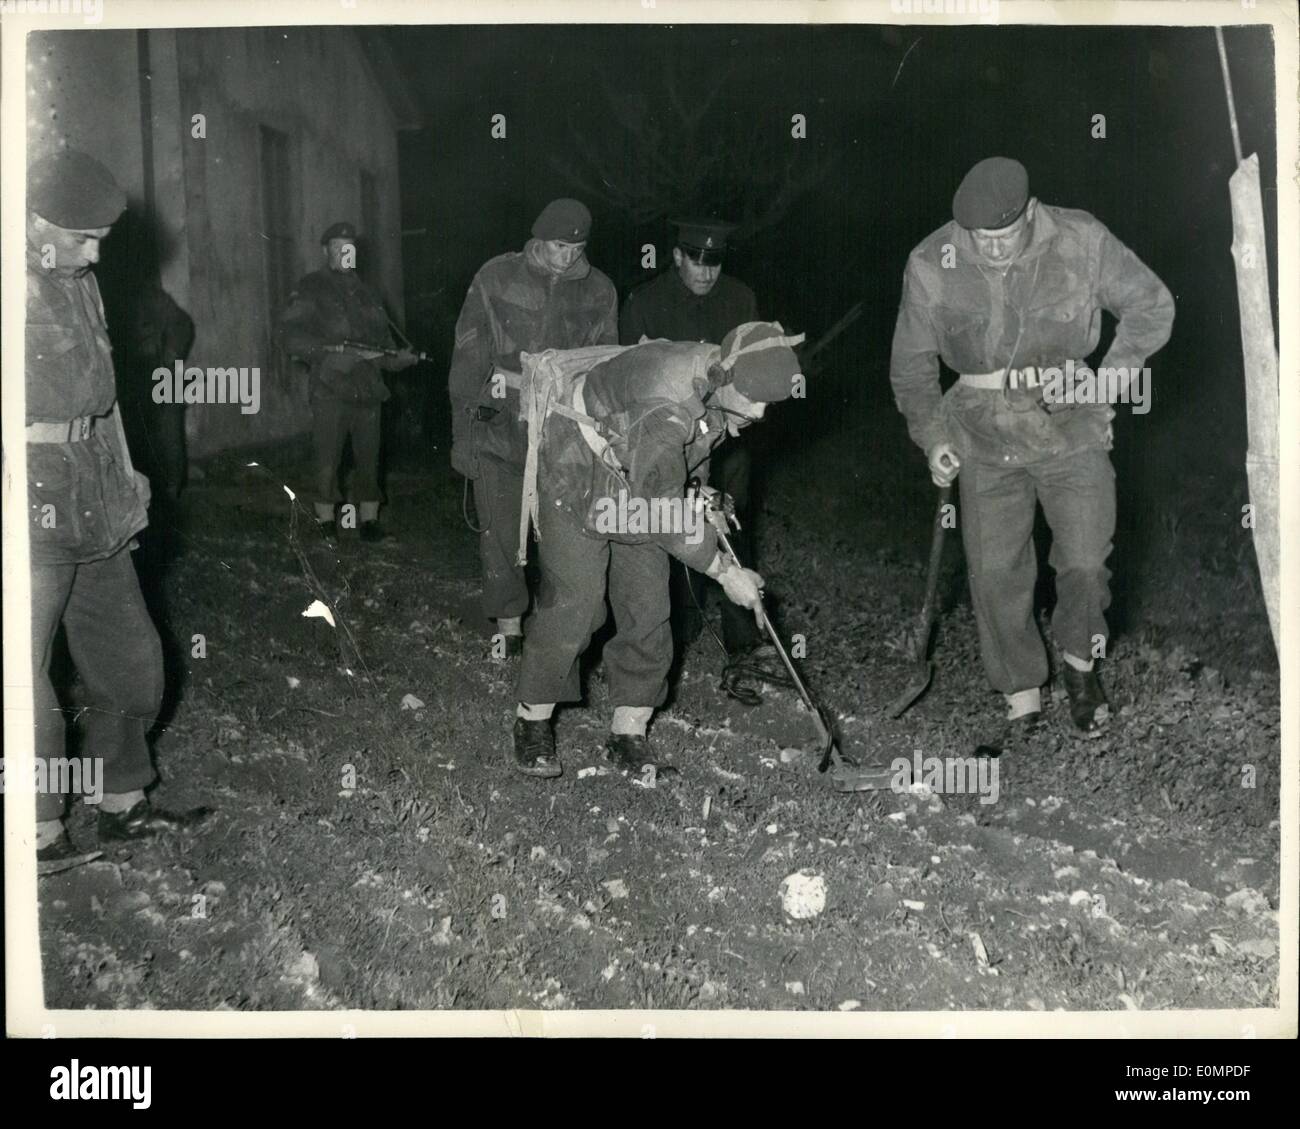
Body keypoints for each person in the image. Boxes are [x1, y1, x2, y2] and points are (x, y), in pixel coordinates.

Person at [889, 156, 1174, 736]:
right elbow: (912, 370)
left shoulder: (1081, 239)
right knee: (995, 572)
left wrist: (1107, 380)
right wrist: (934, 436)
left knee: (1086, 562)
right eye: (979, 238)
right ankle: (1021, 693)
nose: (991, 249)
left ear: (1030, 213)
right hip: (981, 432)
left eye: (1004, 235)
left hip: (1069, 425)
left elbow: (1152, 305)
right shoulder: (930, 262)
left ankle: (1080, 667)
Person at [511, 321, 805, 779]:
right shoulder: (667, 401)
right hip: (577, 474)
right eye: (757, 399)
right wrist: (725, 572)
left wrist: (701, 497)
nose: (762, 413)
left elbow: (689, 457)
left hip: (640, 482)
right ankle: (532, 722)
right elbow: (660, 509)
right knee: (578, 605)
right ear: (728, 379)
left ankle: (628, 733)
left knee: (647, 608)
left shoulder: (720, 377)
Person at [25, 150, 210, 875]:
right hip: (29, 491)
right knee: (25, 669)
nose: (98, 251)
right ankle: (38, 826)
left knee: (130, 654)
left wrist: (128, 473)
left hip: (93, 483)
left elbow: (105, 396)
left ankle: (122, 800)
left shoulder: (81, 282)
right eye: (84, 236)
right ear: (36, 223)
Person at [448, 198, 618, 657]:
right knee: (500, 532)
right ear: (539, 238)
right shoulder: (496, 277)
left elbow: (605, 370)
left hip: (563, 434)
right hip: (499, 425)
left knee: (564, 535)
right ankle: (508, 628)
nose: (567, 258)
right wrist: (463, 433)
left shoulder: (600, 290)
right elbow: (468, 356)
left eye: (576, 250)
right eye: (559, 246)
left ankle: (560, 627)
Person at [619, 219, 773, 697]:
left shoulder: (740, 299)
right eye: (697, 263)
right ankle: (677, 637)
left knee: (728, 518)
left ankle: (743, 640)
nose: (706, 274)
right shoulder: (644, 301)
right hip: (666, 438)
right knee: (667, 519)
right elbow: (624, 370)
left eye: (715, 264)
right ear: (677, 256)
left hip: (726, 437)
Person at [276, 221, 418, 544]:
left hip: (369, 389)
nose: (345, 254)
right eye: (339, 248)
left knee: (370, 459)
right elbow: (286, 334)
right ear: (326, 251)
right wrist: (325, 355)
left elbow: (382, 349)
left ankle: (369, 523)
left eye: (350, 249)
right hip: (330, 388)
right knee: (327, 458)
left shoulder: (369, 294)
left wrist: (402, 359)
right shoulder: (311, 287)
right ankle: (326, 524)